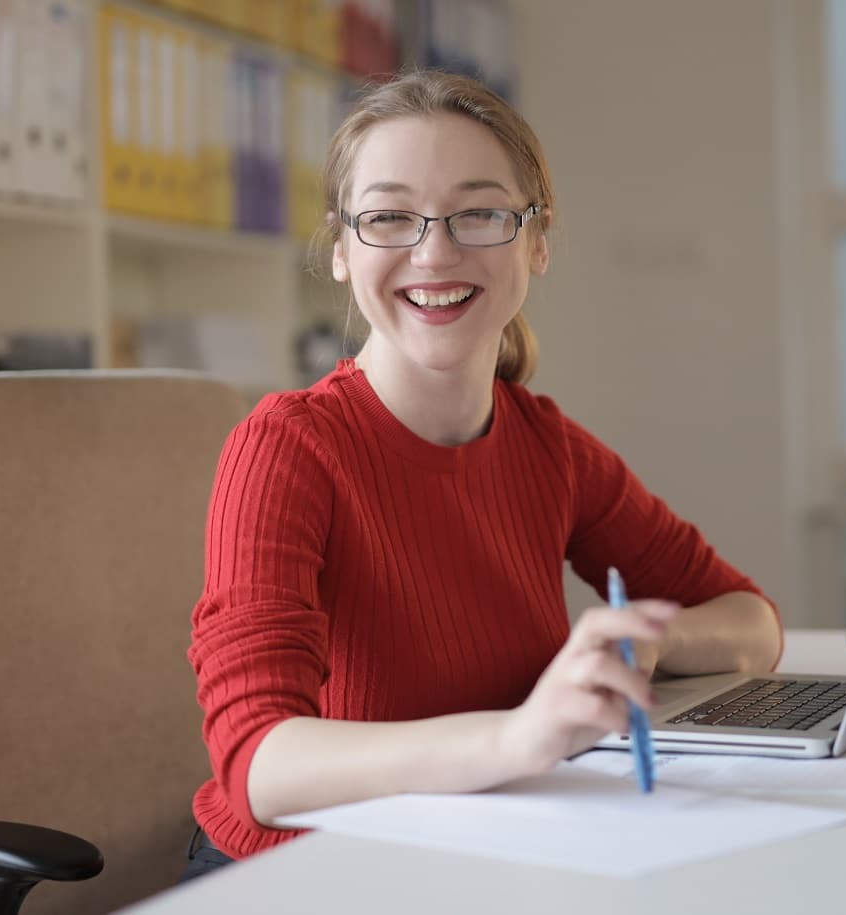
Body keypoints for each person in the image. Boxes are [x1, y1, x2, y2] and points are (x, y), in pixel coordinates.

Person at [182, 69, 784, 878]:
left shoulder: (548, 446)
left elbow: (754, 622)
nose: (434, 250)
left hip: (479, 853)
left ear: (536, 241)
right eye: (390, 217)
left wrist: (646, 641)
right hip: (304, 874)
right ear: (340, 248)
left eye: (479, 214)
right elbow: (260, 768)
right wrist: (520, 736)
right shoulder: (287, 449)